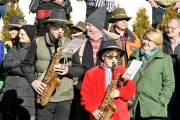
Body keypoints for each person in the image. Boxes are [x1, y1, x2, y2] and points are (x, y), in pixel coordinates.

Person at [20, 8, 81, 120]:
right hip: (43, 94)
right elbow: (25, 65)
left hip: (64, 98)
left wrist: (68, 70)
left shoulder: (72, 44)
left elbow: (79, 69)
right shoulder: (37, 42)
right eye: (57, 26)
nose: (60, 31)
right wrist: (33, 81)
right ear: (48, 25)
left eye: (63, 27)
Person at [80, 40, 136, 120]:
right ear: (103, 57)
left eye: (116, 57)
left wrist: (120, 92)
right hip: (99, 113)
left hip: (120, 115)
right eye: (110, 57)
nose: (114, 60)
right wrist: (93, 109)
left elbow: (131, 89)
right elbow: (85, 95)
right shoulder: (91, 73)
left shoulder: (124, 71)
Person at [128, 28, 175, 120]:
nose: (146, 42)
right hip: (134, 106)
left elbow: (169, 83)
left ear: (157, 43)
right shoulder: (134, 56)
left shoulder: (164, 59)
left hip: (154, 108)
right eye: (145, 39)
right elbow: (128, 79)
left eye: (150, 40)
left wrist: (162, 101)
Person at [0, 25, 37, 120]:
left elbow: (30, 70)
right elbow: (4, 64)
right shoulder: (14, 48)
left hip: (25, 91)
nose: (20, 36)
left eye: (23, 34)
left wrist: (12, 69)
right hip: (8, 91)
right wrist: (21, 62)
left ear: (29, 36)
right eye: (19, 33)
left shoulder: (33, 50)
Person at [163, 19, 180, 120]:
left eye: (172, 28)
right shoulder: (161, 44)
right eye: (168, 28)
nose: (169, 30)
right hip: (167, 82)